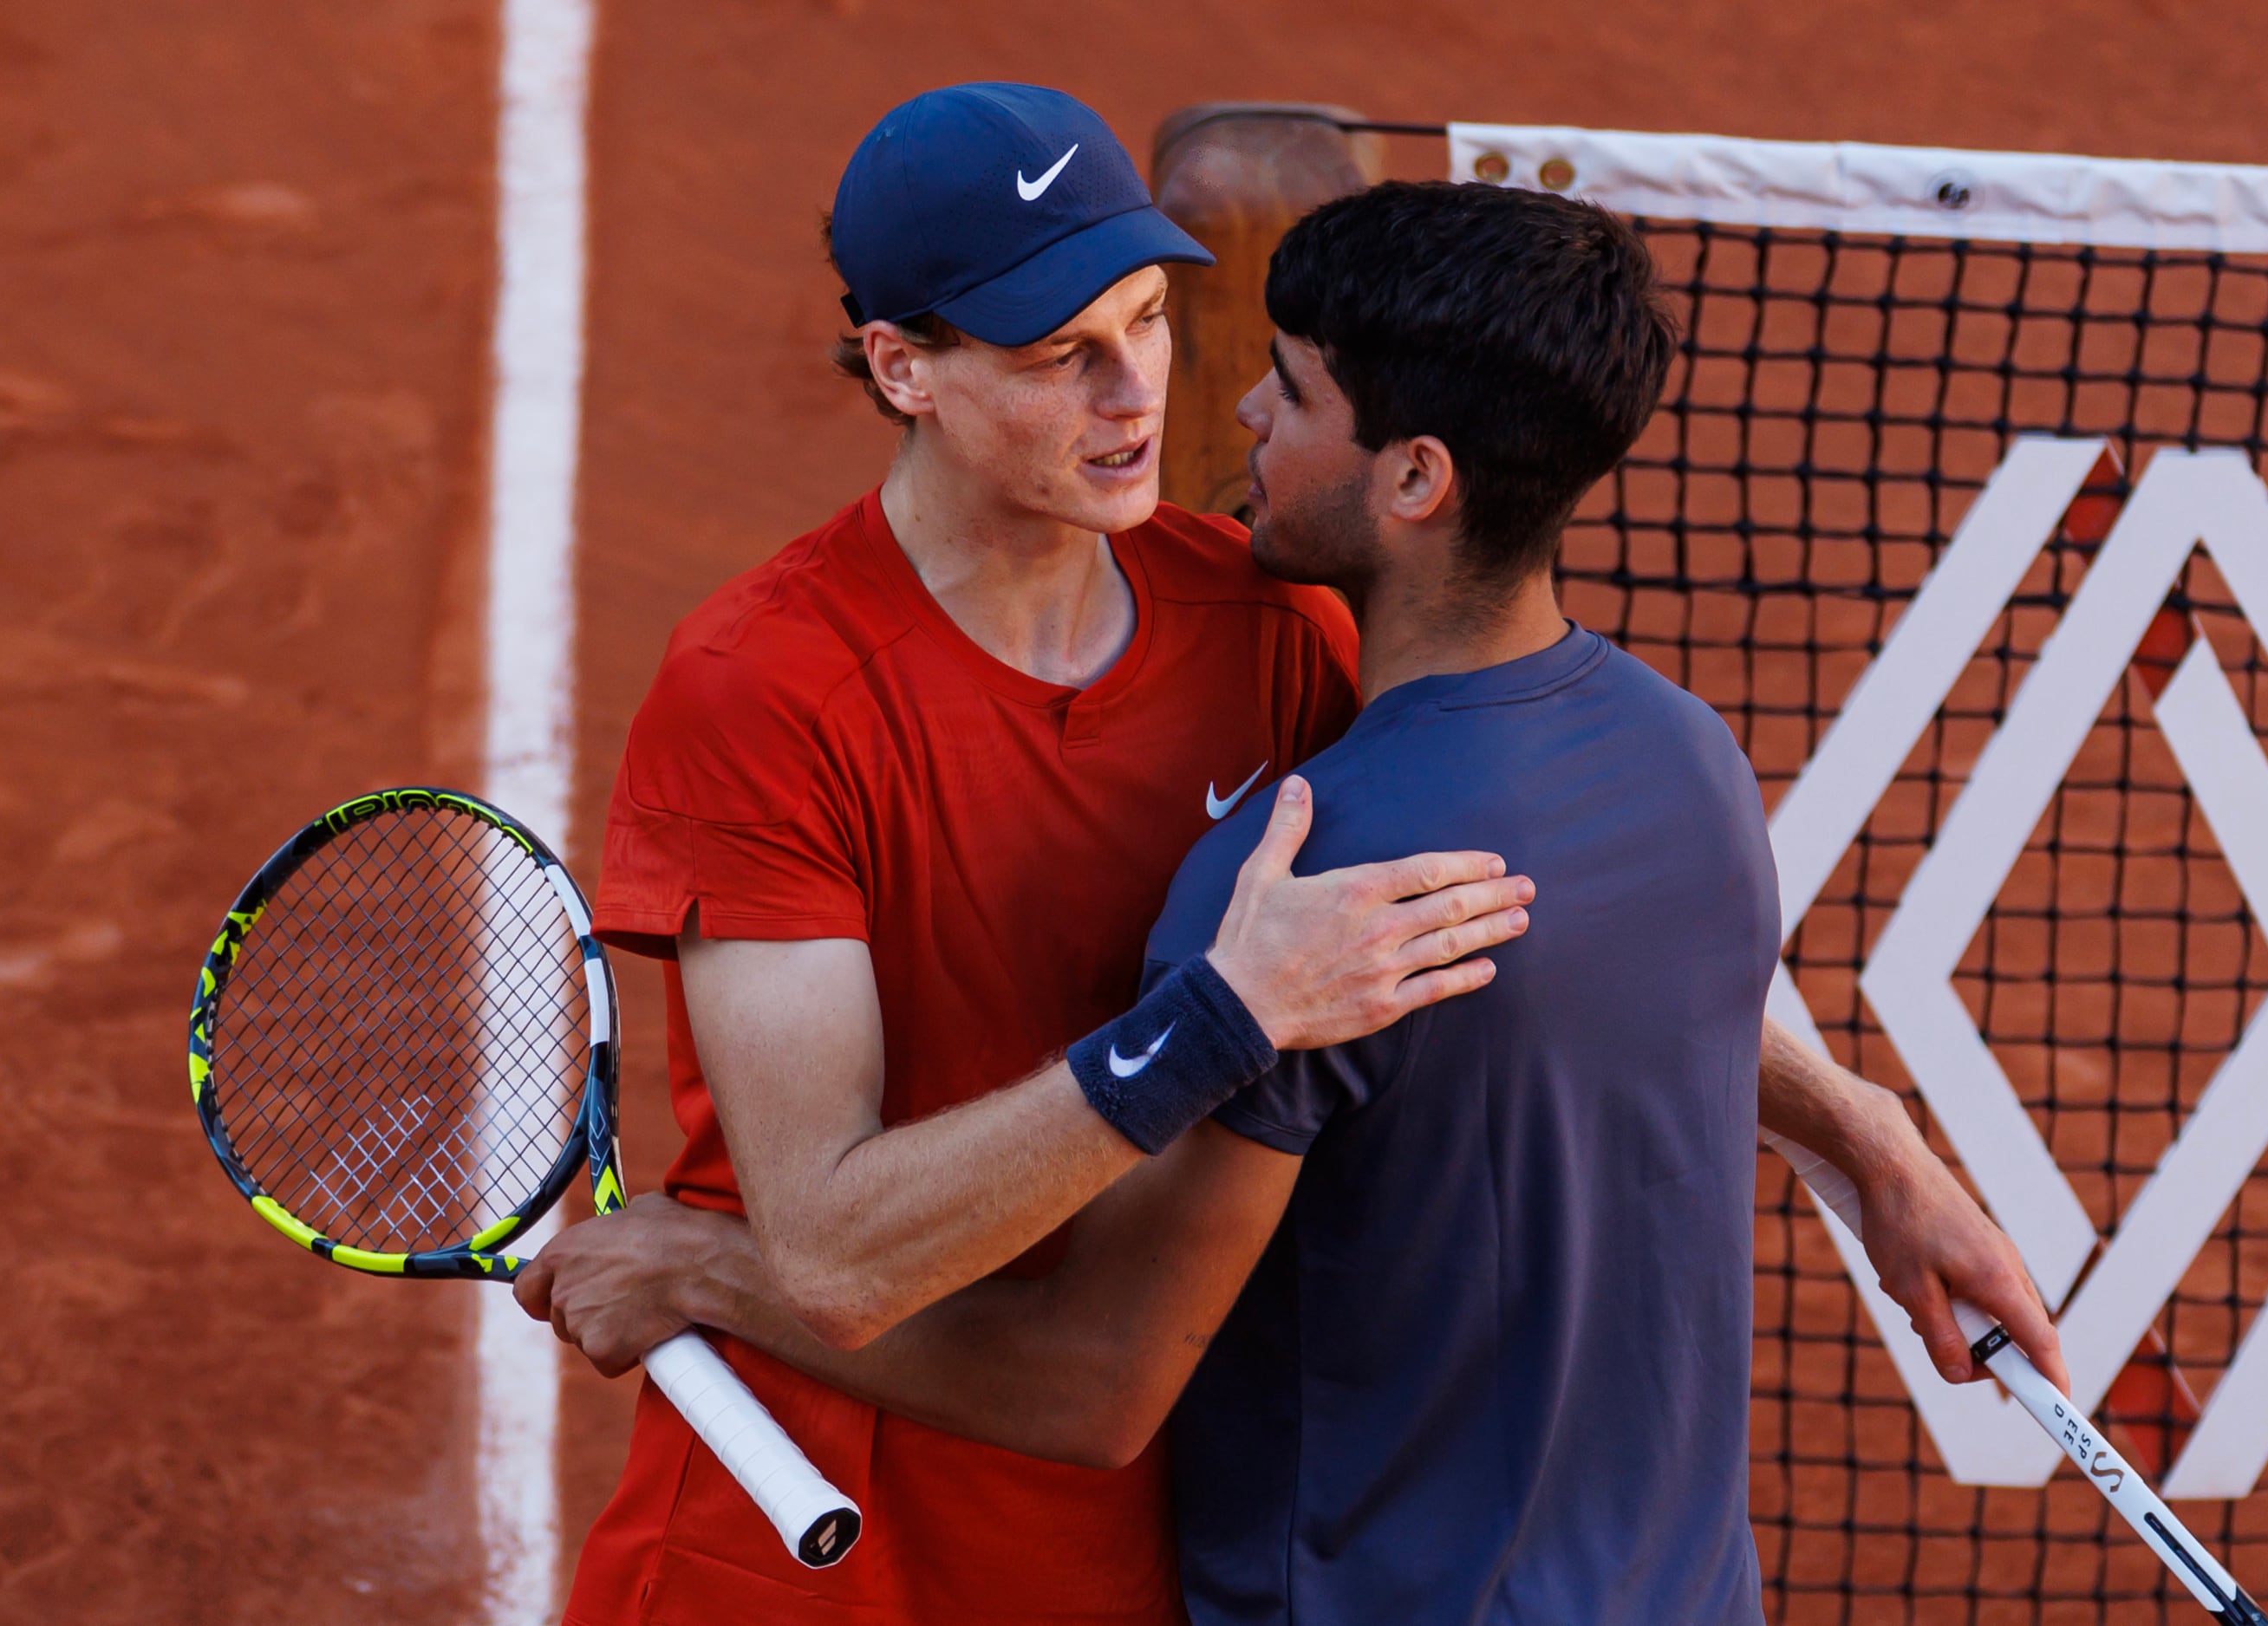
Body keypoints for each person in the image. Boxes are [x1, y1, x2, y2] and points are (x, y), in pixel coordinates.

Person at [525, 86, 2066, 1626]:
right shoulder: (764, 689)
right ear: (901, 366)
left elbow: (1491, 929)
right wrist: (1217, 1025)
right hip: (828, 1544)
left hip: (1134, 1539)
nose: (1138, 393)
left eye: (1149, 318)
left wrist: (1864, 1136)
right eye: (1064, 355)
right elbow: (835, 1254)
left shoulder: (1275, 622)